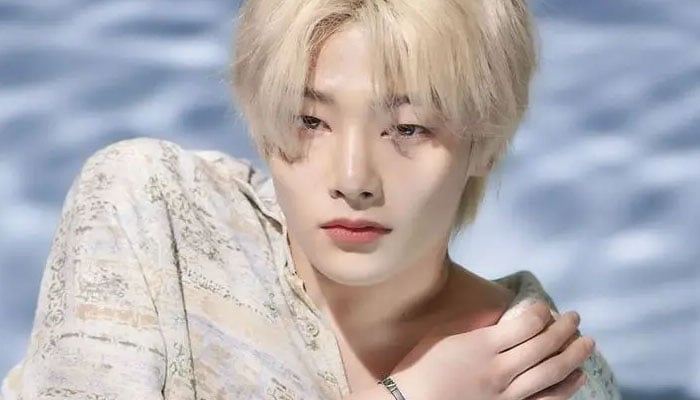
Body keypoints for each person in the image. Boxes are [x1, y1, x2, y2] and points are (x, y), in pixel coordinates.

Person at [1, 0, 621, 399]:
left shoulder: (545, 372)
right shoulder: (152, 209)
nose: (353, 178)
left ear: (485, 142)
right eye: (310, 120)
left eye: (409, 128)